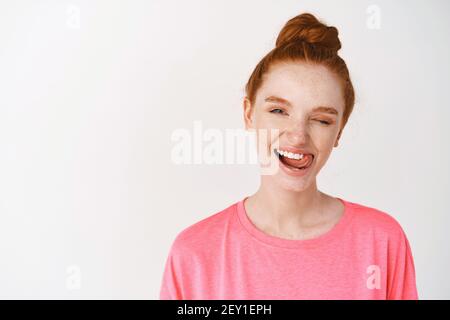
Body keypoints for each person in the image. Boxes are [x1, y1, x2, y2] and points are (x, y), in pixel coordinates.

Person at [160, 12, 418, 300]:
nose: (297, 136)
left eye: (321, 119)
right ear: (249, 114)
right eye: (279, 111)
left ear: (340, 132)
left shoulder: (382, 241)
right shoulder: (194, 254)